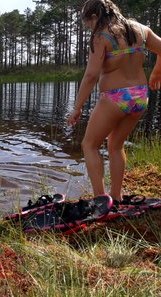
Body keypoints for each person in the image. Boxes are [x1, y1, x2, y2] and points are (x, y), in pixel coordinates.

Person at [67, 0, 161, 205]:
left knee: (89, 145)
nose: (90, 28)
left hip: (115, 98)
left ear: (94, 17)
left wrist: (76, 108)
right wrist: (156, 71)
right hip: (139, 96)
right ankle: (116, 197)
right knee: (115, 145)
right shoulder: (140, 29)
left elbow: (91, 76)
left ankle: (101, 200)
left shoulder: (101, 36)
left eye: (88, 23)